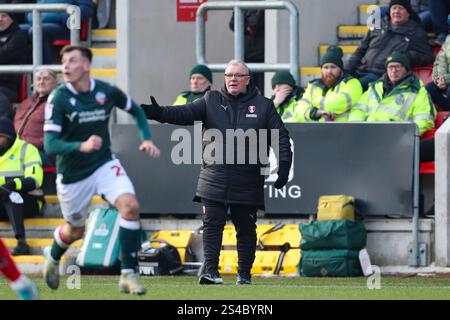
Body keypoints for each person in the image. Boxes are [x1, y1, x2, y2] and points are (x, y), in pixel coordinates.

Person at [141, 60, 292, 285]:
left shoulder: (264, 105)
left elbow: (280, 136)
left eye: (238, 75)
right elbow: (185, 113)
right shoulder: (211, 100)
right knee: (212, 225)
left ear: (247, 80)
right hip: (214, 177)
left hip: (248, 180)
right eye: (229, 75)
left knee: (246, 230)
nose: (232, 79)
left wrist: (284, 167)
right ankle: (210, 271)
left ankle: (244, 275)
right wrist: (160, 113)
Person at [42, 45, 160, 295]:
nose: (65, 66)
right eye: (63, 61)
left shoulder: (105, 92)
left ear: (86, 65)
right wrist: (80, 145)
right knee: (76, 230)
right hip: (73, 175)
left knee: (130, 207)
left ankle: (128, 274)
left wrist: (146, 138)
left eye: (72, 61)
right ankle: (52, 258)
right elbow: (50, 145)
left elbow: (136, 110)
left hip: (104, 163)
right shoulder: (59, 98)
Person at [347, 0, 434, 90]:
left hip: (382, 76)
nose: (396, 11)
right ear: (389, 11)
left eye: (401, 8)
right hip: (361, 69)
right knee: (339, 82)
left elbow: (427, 56)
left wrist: (406, 56)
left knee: (351, 89)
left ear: (408, 13)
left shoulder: (416, 32)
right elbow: (361, 49)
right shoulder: (379, 24)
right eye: (394, 8)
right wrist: (347, 70)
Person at [349, 52, 436, 136]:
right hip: (367, 136)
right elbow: (358, 109)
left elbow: (425, 120)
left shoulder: (417, 90)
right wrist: (356, 128)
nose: (394, 71)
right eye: (390, 67)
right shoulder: (375, 87)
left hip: (396, 141)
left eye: (397, 67)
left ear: (406, 69)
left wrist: (405, 136)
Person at [0, 116, 44, 256]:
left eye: (0, 136)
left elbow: (35, 179)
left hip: (30, 201)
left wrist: (13, 184)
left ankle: (22, 243)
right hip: (3, 201)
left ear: (9, 136)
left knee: (11, 195)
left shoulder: (27, 150)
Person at [284, 46, 363, 122]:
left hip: (341, 131)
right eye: (326, 67)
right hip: (316, 132)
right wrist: (315, 113)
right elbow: (300, 110)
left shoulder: (352, 83)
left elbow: (337, 103)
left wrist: (314, 103)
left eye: (333, 67)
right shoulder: (313, 86)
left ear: (340, 70)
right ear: (321, 70)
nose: (329, 71)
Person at [20, 0, 95, 64]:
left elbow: (87, 8)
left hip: (63, 27)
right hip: (34, 22)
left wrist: (65, 17)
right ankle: (16, 76)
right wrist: (29, 15)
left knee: (38, 31)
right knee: (17, 31)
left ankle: (45, 74)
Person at [14, 68, 58, 168]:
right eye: (38, 79)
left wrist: (27, 146)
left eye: (46, 79)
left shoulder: (58, 103)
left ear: (56, 82)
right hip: (18, 149)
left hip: (43, 153)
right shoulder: (26, 102)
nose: (41, 82)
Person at [229, 1, 265, 94]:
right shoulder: (242, 2)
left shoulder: (262, 3)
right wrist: (246, 26)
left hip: (259, 56)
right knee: (246, 89)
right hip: (245, 55)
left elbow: (256, 23)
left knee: (260, 89)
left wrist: (243, 23)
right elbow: (233, 24)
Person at [0, 6, 29, 103]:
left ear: (12, 19)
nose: (0, 19)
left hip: (7, 87)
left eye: (4, 16)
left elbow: (3, 55)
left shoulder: (19, 37)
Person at [426, 16, 450, 111]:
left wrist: (446, 79)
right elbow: (440, 60)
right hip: (445, 78)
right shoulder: (448, 39)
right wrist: (439, 78)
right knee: (430, 88)